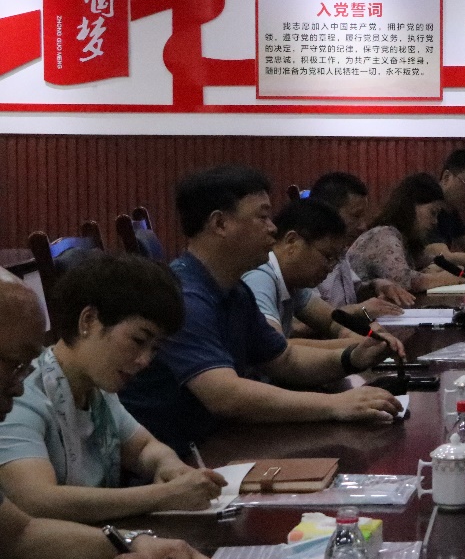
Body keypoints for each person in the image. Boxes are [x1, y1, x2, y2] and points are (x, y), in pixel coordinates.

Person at [119, 165, 401, 453]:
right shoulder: (185, 297)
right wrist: (336, 405)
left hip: (214, 441)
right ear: (220, 224)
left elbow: (285, 359)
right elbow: (226, 396)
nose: (273, 228)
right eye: (262, 216)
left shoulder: (234, 290)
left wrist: (352, 357)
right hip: (177, 456)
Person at [0, 280, 219, 559]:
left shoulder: (98, 390)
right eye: (138, 341)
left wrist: (137, 542)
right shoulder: (31, 392)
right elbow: (34, 500)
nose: (145, 361)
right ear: (88, 321)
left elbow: (19, 537)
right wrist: (164, 495)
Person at [243, 198, 407, 359]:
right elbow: (276, 348)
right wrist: (360, 342)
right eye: (327, 256)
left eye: (335, 260)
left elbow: (331, 322)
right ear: (292, 241)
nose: (330, 268)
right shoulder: (260, 279)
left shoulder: (293, 283)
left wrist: (367, 335)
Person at [307, 171, 415, 309]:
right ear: (328, 212)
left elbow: (353, 292)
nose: (363, 226)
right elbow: (311, 318)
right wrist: (360, 311)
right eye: (356, 216)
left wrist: (378, 285)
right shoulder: (307, 257)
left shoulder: (341, 251)